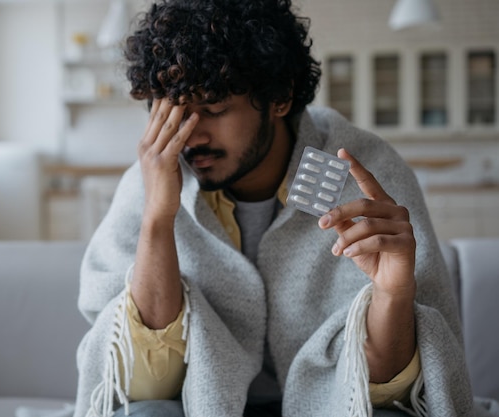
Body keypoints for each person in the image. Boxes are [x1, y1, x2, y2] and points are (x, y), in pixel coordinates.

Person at [72, 1, 493, 416]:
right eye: (175, 113)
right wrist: (159, 218)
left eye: (214, 109)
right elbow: (145, 382)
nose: (191, 137)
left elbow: (384, 393)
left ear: (280, 97)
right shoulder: (152, 180)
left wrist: (393, 294)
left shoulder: (365, 175)